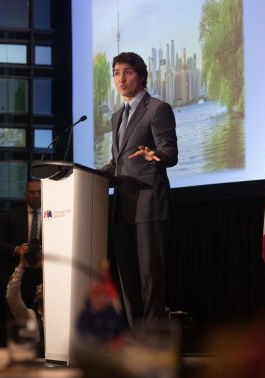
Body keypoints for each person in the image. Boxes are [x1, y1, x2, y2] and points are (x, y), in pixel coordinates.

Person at [101, 52, 178, 326]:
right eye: (117, 73)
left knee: (150, 279)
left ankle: (154, 344)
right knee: (128, 280)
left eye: (128, 72)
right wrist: (91, 177)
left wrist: (153, 153)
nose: (121, 78)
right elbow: (117, 162)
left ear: (141, 76)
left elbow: (170, 152)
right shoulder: (116, 117)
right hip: (123, 207)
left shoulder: (157, 109)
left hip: (149, 205)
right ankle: (136, 340)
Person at [0, 179, 43, 310]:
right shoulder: (11, 215)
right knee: (14, 317)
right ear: (26, 194)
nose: (36, 195)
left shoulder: (52, 216)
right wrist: (17, 249)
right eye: (32, 192)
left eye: (39, 192)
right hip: (16, 272)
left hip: (43, 274)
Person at [5, 253, 44, 357]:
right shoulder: (29, 315)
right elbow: (11, 295)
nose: (42, 288)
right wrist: (22, 264)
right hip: (35, 366)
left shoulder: (58, 316)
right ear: (35, 296)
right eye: (40, 287)